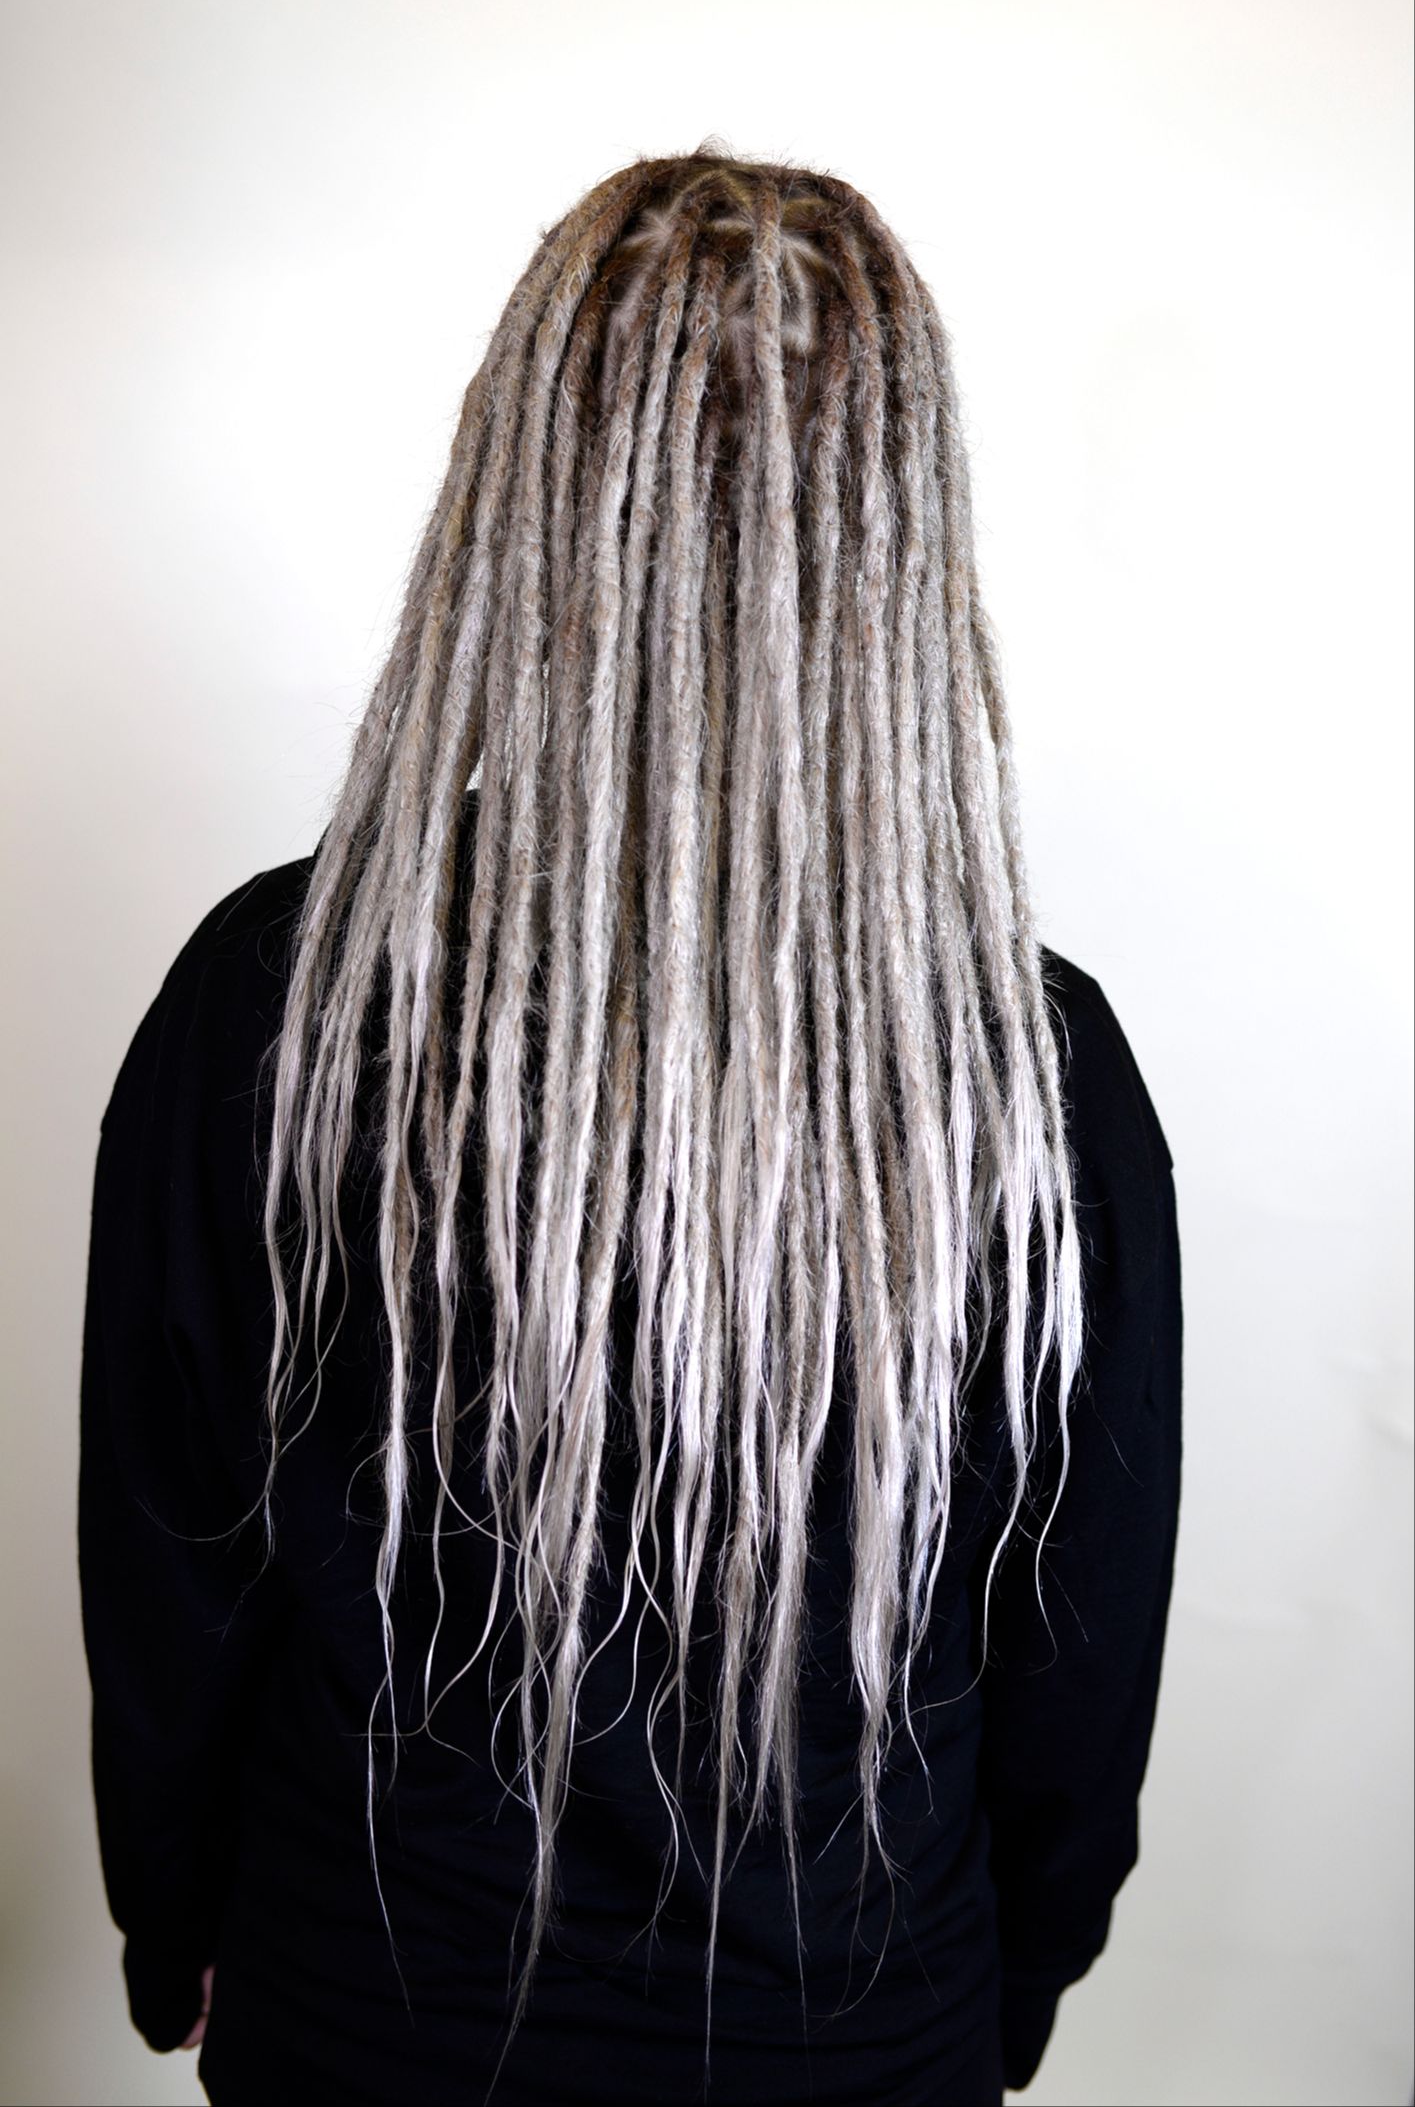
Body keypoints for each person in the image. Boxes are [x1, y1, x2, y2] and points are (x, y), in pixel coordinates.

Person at [77, 146, 1183, 2107]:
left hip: (370, 2030)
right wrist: (999, 1994)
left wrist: (177, 1934)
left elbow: (170, 1583)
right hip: (859, 2040)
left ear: (518, 493)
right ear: (897, 532)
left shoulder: (282, 995)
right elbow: (1074, 1685)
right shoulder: (1035, 1073)